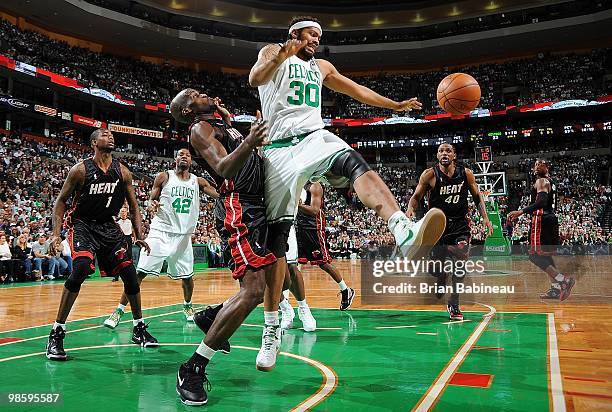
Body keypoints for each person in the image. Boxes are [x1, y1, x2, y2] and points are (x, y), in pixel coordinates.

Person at [249, 16, 446, 369]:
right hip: (278, 151)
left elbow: (356, 90)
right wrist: (282, 54)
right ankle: (271, 329)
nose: (317, 40)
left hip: (314, 137)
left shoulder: (322, 66)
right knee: (277, 245)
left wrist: (394, 107)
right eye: (312, 34)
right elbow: (255, 78)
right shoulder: (273, 52)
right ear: (295, 34)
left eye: (319, 36)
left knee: (354, 161)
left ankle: (403, 229)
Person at [170, 90, 272, 405]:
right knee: (255, 291)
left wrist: (235, 127)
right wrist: (248, 139)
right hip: (240, 208)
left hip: (257, 204)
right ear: (188, 109)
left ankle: (212, 315)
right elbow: (225, 168)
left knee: (265, 286)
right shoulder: (199, 130)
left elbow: (249, 159)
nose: (206, 94)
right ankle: (193, 368)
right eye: (197, 95)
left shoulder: (219, 124)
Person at [45, 128, 156, 362]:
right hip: (83, 224)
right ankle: (56, 332)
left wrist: (139, 233)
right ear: (94, 142)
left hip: (108, 226)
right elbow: (61, 200)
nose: (111, 136)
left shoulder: (122, 171)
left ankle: (138, 328)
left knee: (130, 274)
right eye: (104, 134)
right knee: (81, 268)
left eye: (112, 134)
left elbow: (134, 206)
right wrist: (56, 234)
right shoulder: (80, 170)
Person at [103, 148, 218, 327]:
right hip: (160, 232)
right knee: (139, 273)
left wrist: (229, 194)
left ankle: (187, 305)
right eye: (181, 154)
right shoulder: (164, 177)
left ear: (191, 161)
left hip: (183, 237)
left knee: (187, 277)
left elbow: (217, 194)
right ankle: (118, 310)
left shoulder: (198, 181)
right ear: (175, 158)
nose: (184, 157)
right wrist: (151, 205)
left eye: (187, 155)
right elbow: (151, 200)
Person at [408, 143, 493, 320]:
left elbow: (477, 197)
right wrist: (410, 209)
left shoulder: (466, 173)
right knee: (434, 267)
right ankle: (441, 275)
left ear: (454, 155)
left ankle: (454, 302)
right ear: (437, 155)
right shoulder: (430, 174)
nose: (444, 153)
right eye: (441, 151)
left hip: (459, 225)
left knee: (460, 262)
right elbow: (416, 197)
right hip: (437, 226)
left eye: (448, 151)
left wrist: (485, 218)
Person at [508, 159, 576, 301]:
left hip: (542, 219)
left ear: (547, 167)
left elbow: (541, 202)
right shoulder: (551, 182)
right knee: (546, 256)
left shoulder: (542, 181)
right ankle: (555, 291)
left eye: (542, 164)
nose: (538, 166)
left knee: (534, 255)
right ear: (533, 169)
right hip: (550, 219)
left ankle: (563, 280)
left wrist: (521, 211)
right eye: (536, 164)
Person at [113, 207, 134, 281]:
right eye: (122, 211)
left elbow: (133, 230)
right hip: (120, 239)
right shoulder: (117, 222)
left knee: (129, 257)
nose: (123, 213)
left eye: (124, 211)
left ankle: (130, 275)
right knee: (119, 257)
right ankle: (116, 276)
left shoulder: (130, 221)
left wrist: (134, 238)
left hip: (128, 239)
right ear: (120, 213)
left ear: (127, 212)